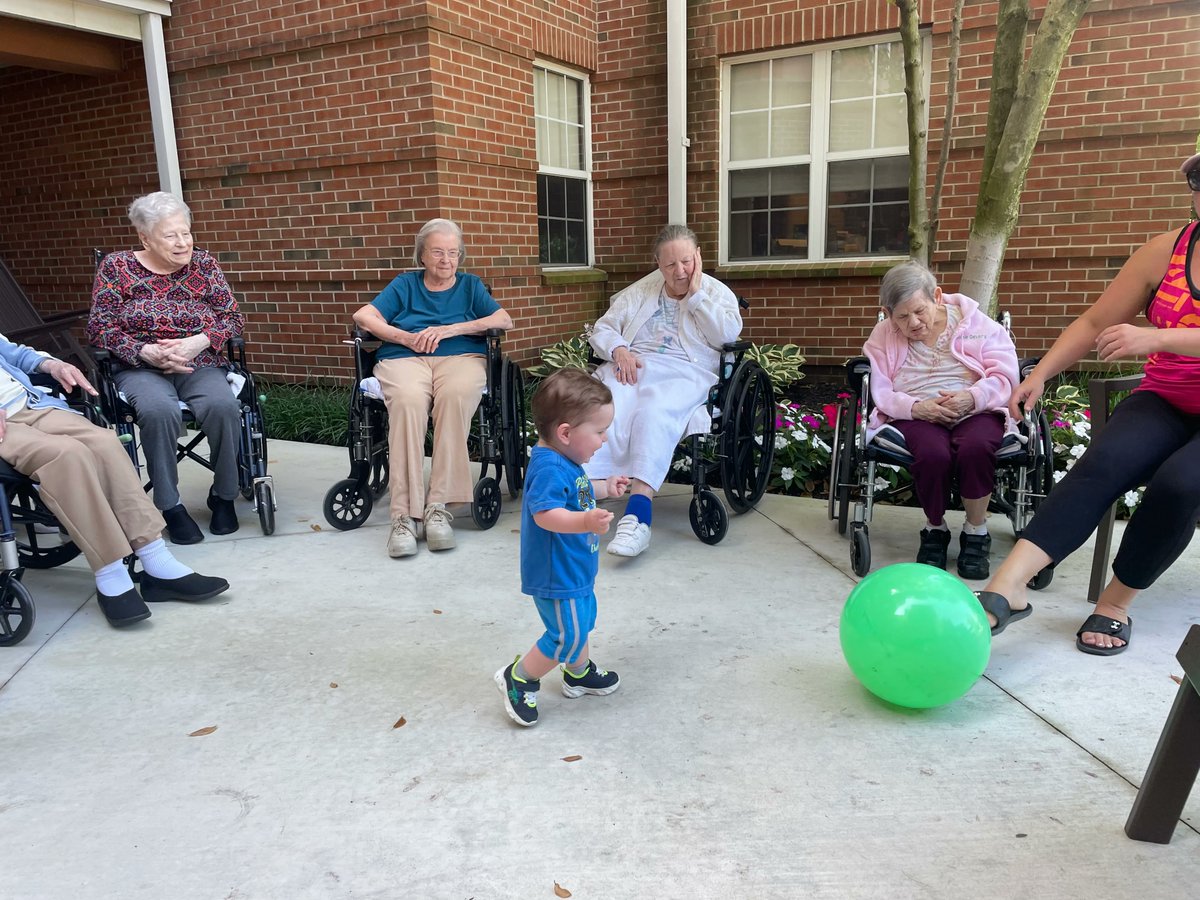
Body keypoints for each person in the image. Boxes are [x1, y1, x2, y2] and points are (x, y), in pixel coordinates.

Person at [975, 152, 1200, 654]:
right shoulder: (1166, 251)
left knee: (1181, 483)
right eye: (1199, 178)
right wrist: (1041, 375)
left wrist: (1160, 338)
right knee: (1103, 462)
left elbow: (1154, 338)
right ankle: (1006, 588)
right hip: (1166, 397)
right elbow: (1095, 323)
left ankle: (1115, 603)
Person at [0, 336, 228, 628]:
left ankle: (156, 561)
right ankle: (110, 574)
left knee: (105, 443)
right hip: (7, 430)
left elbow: (15, 353)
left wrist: (50, 364)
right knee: (67, 454)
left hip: (30, 404)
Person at [88, 192, 246, 544]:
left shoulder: (204, 265)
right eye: (170, 235)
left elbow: (233, 319)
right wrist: (145, 352)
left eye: (186, 233)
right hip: (140, 366)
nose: (182, 243)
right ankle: (170, 506)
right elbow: (100, 327)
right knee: (158, 411)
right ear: (145, 238)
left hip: (200, 361)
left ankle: (224, 495)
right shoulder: (116, 268)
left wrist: (198, 342)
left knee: (223, 407)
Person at [352, 218, 513, 558]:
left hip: (461, 357)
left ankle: (438, 506)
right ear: (422, 255)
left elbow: (503, 320)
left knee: (456, 396)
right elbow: (364, 317)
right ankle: (403, 515)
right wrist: (405, 337)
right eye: (438, 252)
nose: (446, 260)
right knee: (408, 401)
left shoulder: (470, 287)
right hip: (403, 358)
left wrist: (451, 329)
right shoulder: (405, 285)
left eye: (453, 253)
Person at [584, 224, 742, 558]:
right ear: (658, 263)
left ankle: (638, 516)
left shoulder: (715, 293)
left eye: (686, 261)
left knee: (654, 412)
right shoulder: (641, 291)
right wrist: (619, 350)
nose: (680, 271)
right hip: (635, 365)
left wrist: (697, 297)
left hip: (686, 371)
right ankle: (591, 491)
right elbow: (605, 327)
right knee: (604, 404)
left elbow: (727, 336)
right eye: (670, 265)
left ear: (698, 256)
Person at [863, 261, 1021, 579]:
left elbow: (1006, 375)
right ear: (888, 313)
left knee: (976, 447)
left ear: (936, 295)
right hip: (916, 412)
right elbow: (879, 389)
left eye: (919, 311)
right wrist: (916, 407)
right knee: (932, 454)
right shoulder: (883, 334)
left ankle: (976, 532)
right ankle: (934, 528)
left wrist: (972, 397)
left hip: (975, 408)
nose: (914, 323)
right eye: (902, 317)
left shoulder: (977, 324)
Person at [494, 367, 629, 727]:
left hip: (576, 567)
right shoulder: (550, 468)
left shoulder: (568, 461)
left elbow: (579, 493)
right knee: (565, 634)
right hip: (557, 572)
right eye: (599, 432)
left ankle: (578, 672)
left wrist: (605, 487)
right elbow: (545, 515)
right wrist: (585, 522)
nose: (603, 441)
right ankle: (520, 677)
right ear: (566, 433)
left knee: (582, 624)